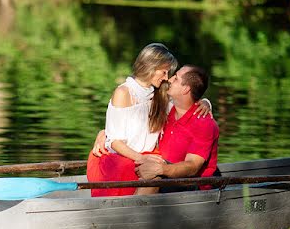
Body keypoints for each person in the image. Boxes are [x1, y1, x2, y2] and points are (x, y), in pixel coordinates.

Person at [87, 44, 211, 197]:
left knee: (155, 171)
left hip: (147, 156)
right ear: (151, 67)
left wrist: (205, 102)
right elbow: (115, 141)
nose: (166, 77)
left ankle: (137, 215)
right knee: (151, 174)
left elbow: (185, 105)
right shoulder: (124, 93)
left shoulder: (160, 94)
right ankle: (128, 216)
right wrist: (141, 158)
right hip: (122, 159)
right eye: (164, 72)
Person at [135, 64, 219, 192]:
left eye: (176, 79)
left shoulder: (204, 124)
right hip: (167, 178)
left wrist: (161, 169)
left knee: (153, 177)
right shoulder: (169, 110)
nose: (169, 80)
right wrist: (106, 135)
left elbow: (192, 166)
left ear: (185, 89)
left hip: (193, 187)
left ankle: (127, 211)